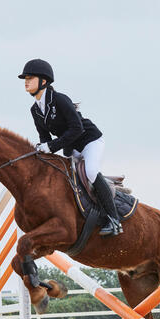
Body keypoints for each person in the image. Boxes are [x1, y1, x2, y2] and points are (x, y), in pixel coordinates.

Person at [19, 58, 123, 236]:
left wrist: (51, 146)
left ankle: (114, 220)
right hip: (71, 146)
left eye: (30, 77)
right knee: (65, 177)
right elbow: (45, 138)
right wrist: (42, 151)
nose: (26, 81)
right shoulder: (35, 110)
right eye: (25, 78)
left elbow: (77, 128)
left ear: (43, 81)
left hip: (90, 140)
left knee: (90, 171)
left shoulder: (59, 99)